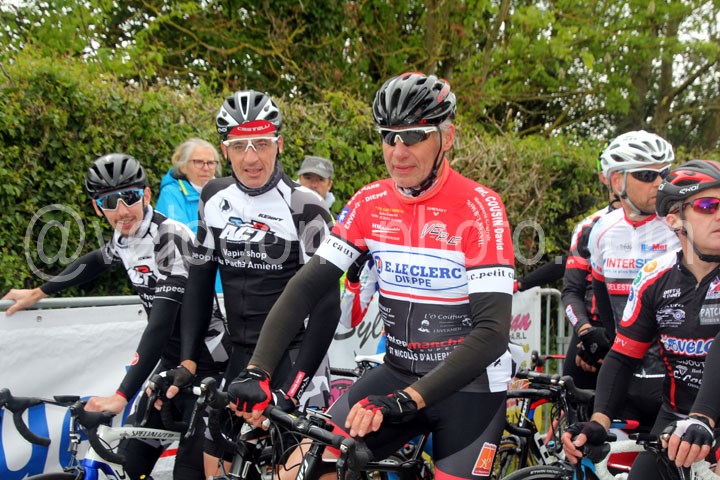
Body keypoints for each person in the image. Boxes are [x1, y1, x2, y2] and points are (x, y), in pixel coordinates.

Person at [226, 72, 515, 480]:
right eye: (388, 137)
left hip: (470, 388)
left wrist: (408, 400)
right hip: (397, 371)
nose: (399, 151)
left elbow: (492, 332)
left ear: (447, 137)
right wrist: (259, 370)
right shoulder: (370, 202)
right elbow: (306, 287)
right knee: (296, 471)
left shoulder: (480, 207)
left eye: (413, 136)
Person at [2, 154, 229, 480]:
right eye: (110, 202)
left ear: (147, 195)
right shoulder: (125, 238)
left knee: (187, 474)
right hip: (172, 363)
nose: (122, 210)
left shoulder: (169, 235)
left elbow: (161, 324)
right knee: (129, 464)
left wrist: (121, 395)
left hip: (209, 364)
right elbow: (97, 260)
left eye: (130, 197)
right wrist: (39, 292)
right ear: (98, 208)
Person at [173, 90, 339, 476]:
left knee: (299, 472)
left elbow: (328, 305)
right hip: (240, 357)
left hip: (297, 360)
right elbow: (200, 278)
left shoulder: (305, 206)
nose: (251, 158)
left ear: (279, 144)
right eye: (239, 146)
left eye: (261, 144)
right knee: (215, 471)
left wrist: (290, 392)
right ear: (225, 150)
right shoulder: (214, 196)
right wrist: (188, 358)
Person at [562, 159, 720, 479]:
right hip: (677, 421)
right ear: (674, 219)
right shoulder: (653, 278)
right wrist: (600, 421)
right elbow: (623, 356)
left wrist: (704, 417)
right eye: (708, 205)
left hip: (704, 422)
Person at [586, 130, 678, 427]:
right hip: (624, 382)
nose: (659, 183)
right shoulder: (602, 229)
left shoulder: (680, 225)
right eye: (647, 175)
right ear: (617, 181)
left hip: (674, 385)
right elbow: (601, 298)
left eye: (664, 173)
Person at [560, 160, 620, 388]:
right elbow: (571, 291)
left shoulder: (665, 226)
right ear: (606, 178)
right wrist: (586, 333)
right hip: (591, 332)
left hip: (638, 338)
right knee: (572, 399)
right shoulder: (590, 226)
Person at [156, 137, 224, 293]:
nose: (206, 168)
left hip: (223, 281)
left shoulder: (224, 192)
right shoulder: (171, 194)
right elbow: (180, 240)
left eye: (211, 163)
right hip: (188, 282)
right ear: (183, 166)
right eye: (198, 162)